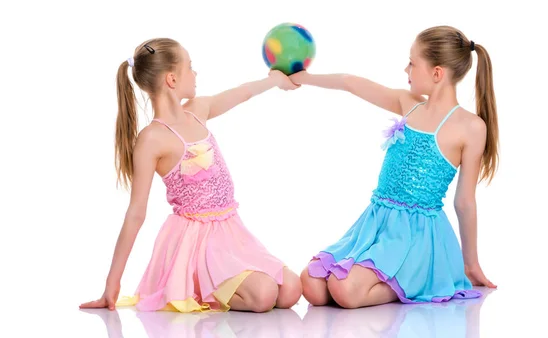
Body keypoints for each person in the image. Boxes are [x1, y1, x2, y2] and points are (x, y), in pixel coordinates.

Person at [79, 38, 302, 313]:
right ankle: (198, 286)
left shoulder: (198, 110)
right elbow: (136, 213)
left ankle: (233, 283)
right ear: (172, 79)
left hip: (231, 231)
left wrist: (275, 80)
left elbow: (241, 93)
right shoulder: (152, 139)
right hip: (199, 243)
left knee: (292, 289)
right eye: (190, 67)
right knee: (264, 296)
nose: (195, 74)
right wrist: (112, 283)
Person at [291, 26, 498, 309]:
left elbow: (464, 202)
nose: (406, 69)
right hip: (376, 222)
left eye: (412, 63)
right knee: (312, 284)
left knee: (346, 290)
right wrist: (302, 78)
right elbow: (351, 82)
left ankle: (423, 280)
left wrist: (470, 264)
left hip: (416, 235)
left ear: (437, 73)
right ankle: (382, 280)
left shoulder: (470, 127)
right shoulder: (408, 104)